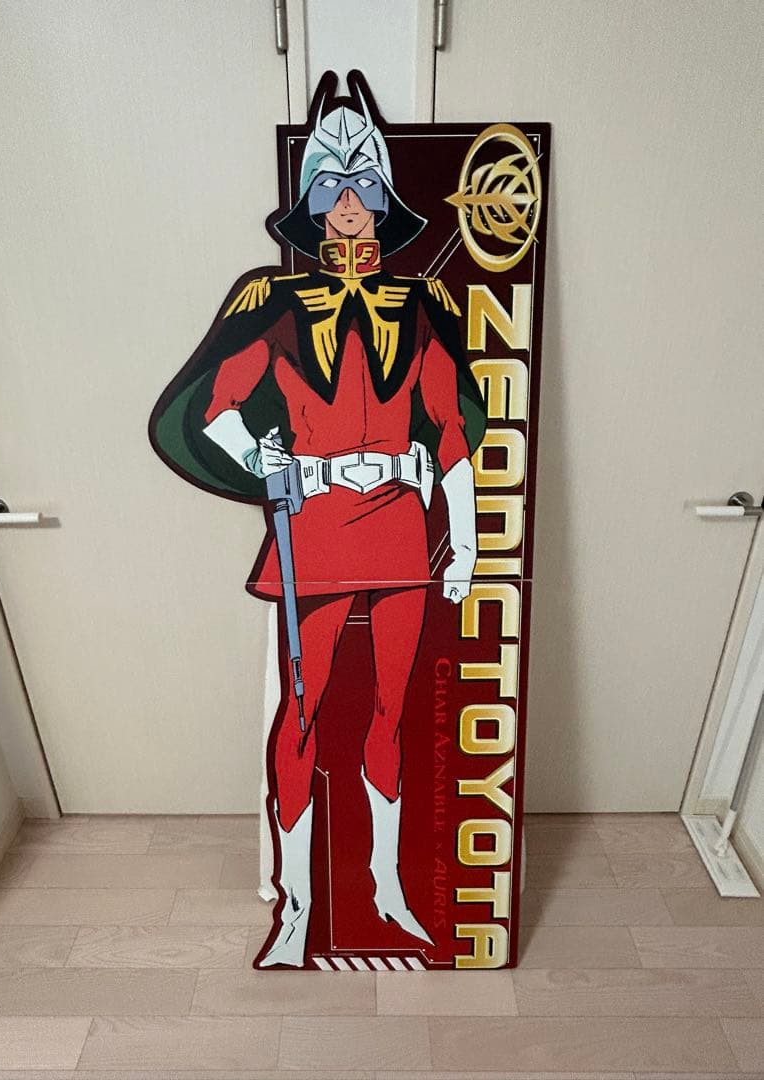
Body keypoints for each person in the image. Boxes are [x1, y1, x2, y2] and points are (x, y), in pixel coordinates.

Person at [150, 80, 485, 968]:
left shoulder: (423, 308)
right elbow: (212, 407)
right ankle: (298, 905)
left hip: (403, 534)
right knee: (302, 714)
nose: (346, 204)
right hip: (317, 537)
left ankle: (386, 889)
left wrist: (467, 540)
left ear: (383, 198)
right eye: (330, 186)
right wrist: (265, 461)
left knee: (391, 715)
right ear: (310, 202)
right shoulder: (275, 302)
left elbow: (451, 433)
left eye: (362, 185)